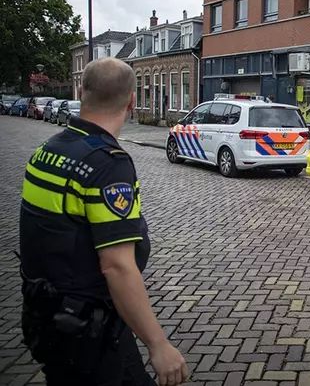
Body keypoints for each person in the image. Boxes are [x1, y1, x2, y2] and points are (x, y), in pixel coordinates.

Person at [18, 57, 189, 385]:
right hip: (86, 332)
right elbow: (117, 266)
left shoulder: (46, 150)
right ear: (132, 101)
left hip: (47, 317)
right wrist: (158, 344)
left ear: (81, 91)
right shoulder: (107, 165)